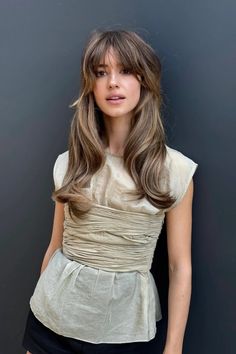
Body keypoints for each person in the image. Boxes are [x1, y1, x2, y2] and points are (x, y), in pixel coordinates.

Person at [22, 29, 198, 354]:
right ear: (90, 84)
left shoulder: (175, 171)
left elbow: (179, 267)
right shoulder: (70, 162)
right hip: (50, 324)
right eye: (101, 73)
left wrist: (174, 347)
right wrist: (41, 304)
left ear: (144, 80)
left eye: (126, 71)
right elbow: (55, 247)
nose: (113, 82)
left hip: (125, 333)